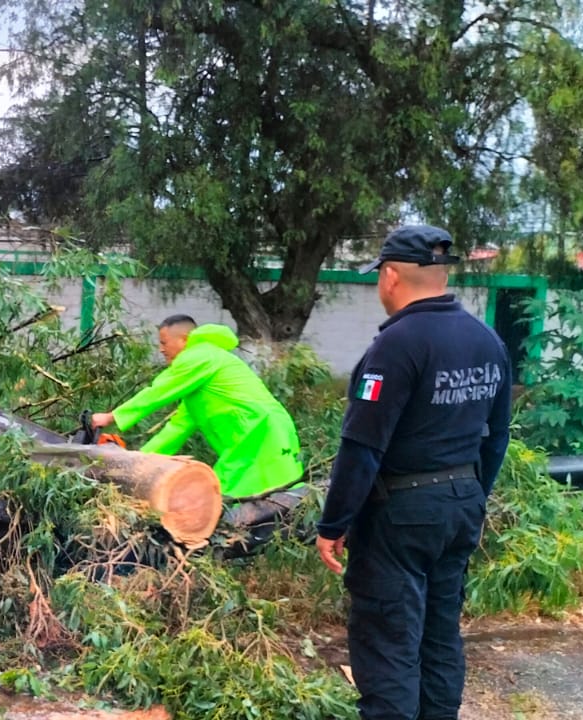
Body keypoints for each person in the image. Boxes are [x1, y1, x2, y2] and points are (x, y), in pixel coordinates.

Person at [315, 224, 512, 720]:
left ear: (390, 276)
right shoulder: (487, 340)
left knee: (389, 641)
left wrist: (333, 524)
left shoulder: (396, 346)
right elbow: (498, 435)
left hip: (399, 515)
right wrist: (471, 495)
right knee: (440, 634)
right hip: (461, 505)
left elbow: (361, 447)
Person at [91, 315, 303, 499]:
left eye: (164, 342)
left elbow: (159, 391)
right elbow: (177, 428)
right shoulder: (200, 378)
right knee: (269, 489)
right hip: (261, 430)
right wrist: (136, 461)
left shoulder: (200, 355)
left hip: (260, 430)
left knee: (232, 493)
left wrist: (111, 417)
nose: (161, 349)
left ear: (183, 340)